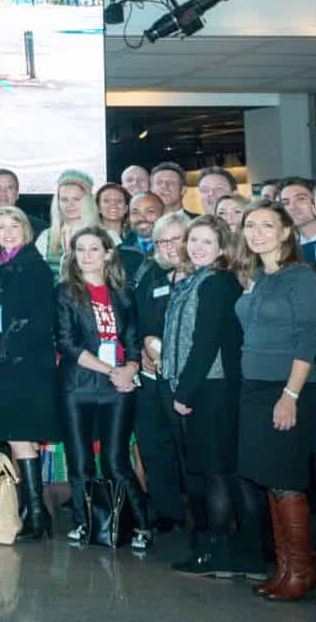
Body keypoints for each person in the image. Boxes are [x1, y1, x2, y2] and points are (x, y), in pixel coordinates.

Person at [233, 200, 316, 601]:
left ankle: (301, 572)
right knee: (271, 480)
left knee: (286, 480)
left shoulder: (300, 277)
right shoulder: (259, 276)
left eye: (265, 225)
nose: (256, 233)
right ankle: (284, 568)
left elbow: (308, 341)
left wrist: (290, 396)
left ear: (286, 231)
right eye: (249, 225)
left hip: (287, 388)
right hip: (254, 388)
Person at [162, 215, 250, 577]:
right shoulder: (193, 280)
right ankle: (205, 548)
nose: (198, 247)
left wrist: (184, 390)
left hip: (211, 388)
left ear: (222, 248)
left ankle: (218, 552)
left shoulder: (217, 283)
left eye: (207, 242)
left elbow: (206, 342)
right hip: (197, 385)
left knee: (215, 472)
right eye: (193, 240)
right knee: (201, 472)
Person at [53, 226, 146, 549]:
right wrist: (112, 370)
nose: (87, 256)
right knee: (79, 461)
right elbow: (67, 343)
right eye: (80, 250)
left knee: (115, 460)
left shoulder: (123, 291)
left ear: (108, 254)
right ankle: (85, 521)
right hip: (78, 385)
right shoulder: (66, 292)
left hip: (118, 386)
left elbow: (133, 340)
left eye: (94, 249)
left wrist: (130, 368)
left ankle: (140, 526)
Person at [0, 204, 60, 541]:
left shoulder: (31, 266)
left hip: (25, 364)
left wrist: (12, 346)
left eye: (14, 224)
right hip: (11, 361)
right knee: (20, 438)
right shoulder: (4, 265)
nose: (8, 231)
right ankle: (35, 512)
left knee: (19, 436)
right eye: (1, 227)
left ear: (25, 229)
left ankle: (37, 515)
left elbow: (41, 318)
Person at [130, 211, 191, 535]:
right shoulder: (150, 272)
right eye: (161, 241)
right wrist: (143, 345)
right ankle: (168, 510)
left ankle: (203, 515)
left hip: (186, 378)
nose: (168, 247)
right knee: (153, 444)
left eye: (175, 239)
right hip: (150, 376)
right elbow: (136, 317)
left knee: (187, 448)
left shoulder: (202, 276)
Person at [45, 169, 99, 263]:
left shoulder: (108, 236)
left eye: (76, 199)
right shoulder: (46, 237)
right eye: (64, 199)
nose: (70, 204)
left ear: (88, 201)